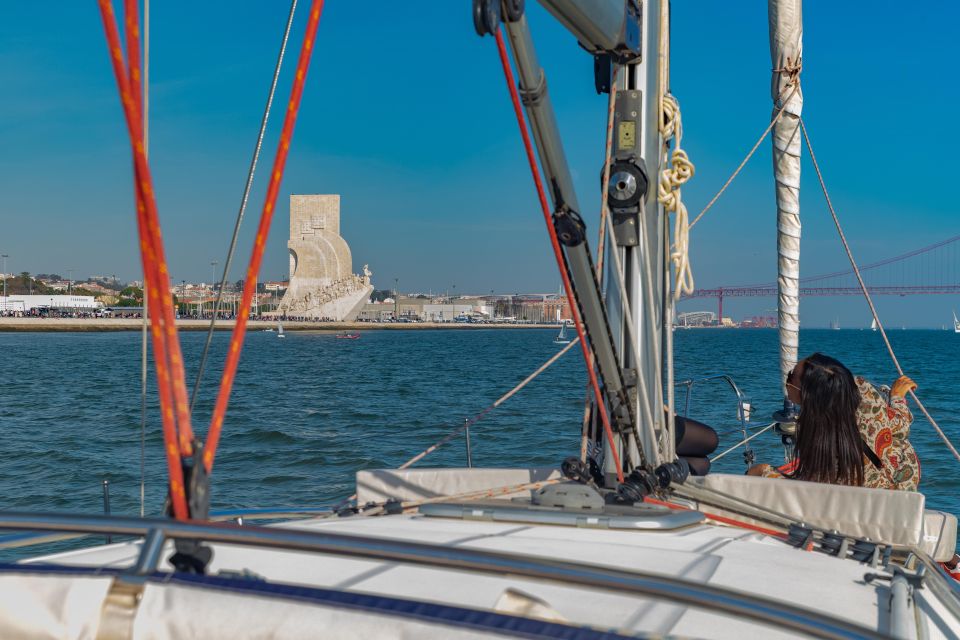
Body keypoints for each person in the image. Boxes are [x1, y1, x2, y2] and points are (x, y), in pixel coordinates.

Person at [748, 353, 920, 490]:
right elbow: (901, 426)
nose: (787, 380)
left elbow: (815, 488)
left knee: (758, 471)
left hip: (863, 502)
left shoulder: (819, 434)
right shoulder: (865, 394)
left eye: (791, 376)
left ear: (808, 392)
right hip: (903, 485)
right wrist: (897, 397)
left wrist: (763, 472)